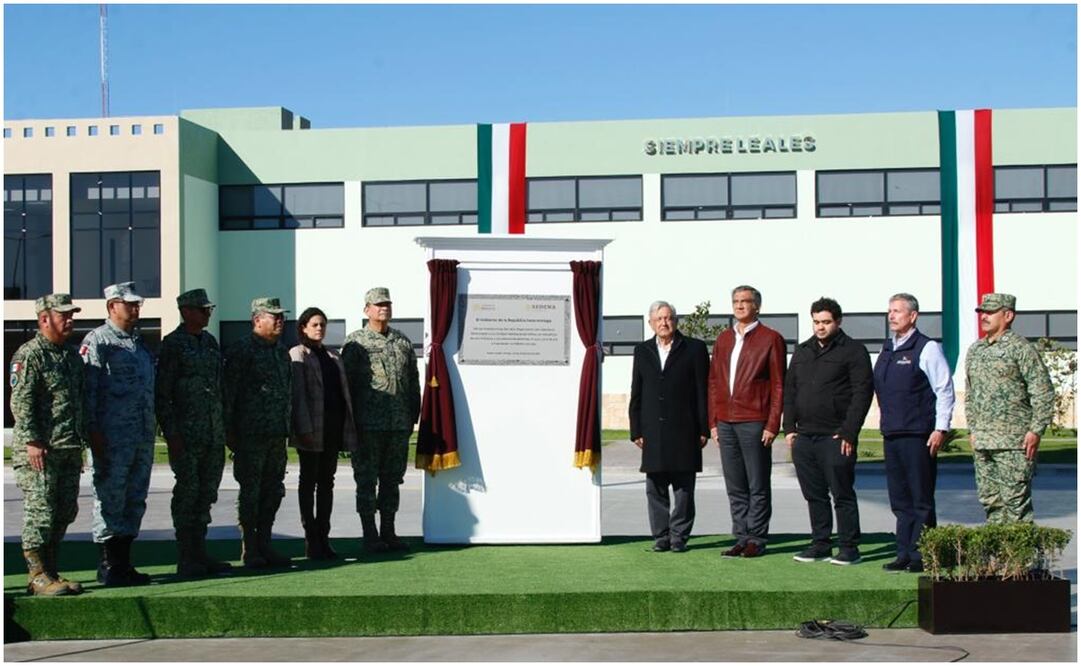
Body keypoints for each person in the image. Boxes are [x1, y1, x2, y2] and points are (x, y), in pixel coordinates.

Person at [784, 297, 873, 566]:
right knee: (814, 495)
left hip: (835, 437)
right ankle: (820, 544)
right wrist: (789, 429)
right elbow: (790, 390)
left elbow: (862, 394)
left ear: (838, 321)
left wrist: (849, 432)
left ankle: (849, 547)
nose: (820, 327)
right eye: (816, 322)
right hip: (804, 436)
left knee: (842, 494)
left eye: (825, 322)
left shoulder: (854, 351)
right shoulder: (803, 351)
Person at [10, 294, 88, 596]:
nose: (69, 320)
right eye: (63, 315)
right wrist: (32, 440)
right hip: (40, 450)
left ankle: (51, 570)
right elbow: (21, 401)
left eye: (71, 315)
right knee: (40, 511)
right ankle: (37, 574)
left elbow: (77, 402)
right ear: (44, 319)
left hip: (67, 446)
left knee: (64, 510)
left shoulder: (70, 356)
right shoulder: (30, 354)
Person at [873, 293, 955, 573]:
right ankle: (904, 552)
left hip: (918, 434)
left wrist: (940, 428)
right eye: (890, 311)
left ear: (913, 315)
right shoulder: (888, 348)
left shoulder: (926, 347)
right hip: (892, 433)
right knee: (900, 499)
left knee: (920, 498)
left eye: (897, 311)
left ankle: (923, 554)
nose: (891, 316)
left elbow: (944, 389)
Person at [82, 281, 157, 586]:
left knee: (134, 498)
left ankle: (124, 563)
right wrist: (93, 431)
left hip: (140, 436)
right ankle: (108, 564)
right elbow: (89, 390)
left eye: (138, 304)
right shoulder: (98, 341)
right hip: (111, 438)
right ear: (112, 306)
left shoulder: (138, 343)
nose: (136, 309)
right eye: (130, 304)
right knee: (110, 498)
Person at [155, 288, 232, 577]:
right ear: (186, 311)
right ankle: (186, 555)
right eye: (202, 309)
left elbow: (219, 387)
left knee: (206, 493)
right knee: (187, 494)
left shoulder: (210, 342)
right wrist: (171, 434)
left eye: (209, 309)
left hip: (212, 433)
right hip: (187, 435)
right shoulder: (173, 344)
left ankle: (200, 551)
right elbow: (163, 394)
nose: (208, 313)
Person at [708, 285, 786, 558]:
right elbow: (714, 382)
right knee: (735, 485)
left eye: (745, 301)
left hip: (754, 420)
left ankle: (756, 538)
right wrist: (713, 422)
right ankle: (741, 537)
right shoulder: (723, 339)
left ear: (757, 306)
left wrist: (772, 424)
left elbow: (779, 385)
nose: (740, 305)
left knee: (757, 484)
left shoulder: (771, 338)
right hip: (725, 422)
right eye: (736, 301)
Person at [342, 287, 421, 553]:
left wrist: (412, 416)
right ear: (367, 310)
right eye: (378, 304)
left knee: (392, 480)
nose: (384, 308)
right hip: (367, 426)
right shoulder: (356, 342)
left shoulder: (402, 341)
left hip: (397, 425)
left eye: (387, 304)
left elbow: (413, 382)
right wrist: (349, 423)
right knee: (366, 481)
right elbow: (346, 386)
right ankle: (370, 534)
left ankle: (389, 531)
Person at [965, 293, 1054, 524]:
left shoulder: (1021, 348)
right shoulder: (976, 350)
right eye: (982, 312)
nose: (984, 317)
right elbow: (971, 394)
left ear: (1008, 315)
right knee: (990, 503)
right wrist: (973, 430)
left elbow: (1042, 390)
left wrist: (1036, 430)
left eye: (990, 312)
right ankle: (999, 549)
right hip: (983, 441)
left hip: (1014, 442)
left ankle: (1022, 549)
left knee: (1016, 506)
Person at [629, 301, 709, 553]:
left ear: (675, 320)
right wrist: (635, 429)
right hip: (653, 430)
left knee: (684, 489)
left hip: (685, 430)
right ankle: (661, 536)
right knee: (655, 488)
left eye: (668, 318)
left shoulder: (694, 348)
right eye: (659, 319)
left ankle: (679, 537)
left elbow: (703, 391)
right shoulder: (642, 351)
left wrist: (704, 428)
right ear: (651, 323)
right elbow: (637, 392)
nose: (664, 323)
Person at [223, 297, 293, 568]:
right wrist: (230, 432)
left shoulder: (281, 352)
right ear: (257, 320)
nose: (280, 321)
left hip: (276, 434)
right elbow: (229, 393)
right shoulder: (242, 350)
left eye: (281, 317)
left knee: (273, 491)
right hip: (250, 435)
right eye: (274, 316)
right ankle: (249, 548)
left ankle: (265, 543)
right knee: (251, 493)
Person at [289, 307, 360, 559]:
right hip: (311, 429)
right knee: (308, 482)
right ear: (303, 328)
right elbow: (298, 396)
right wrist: (303, 429)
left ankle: (324, 536)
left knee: (327, 483)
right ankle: (311, 539)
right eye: (314, 324)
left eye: (322, 325)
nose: (319, 329)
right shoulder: (297, 354)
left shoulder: (333, 355)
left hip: (333, 428)